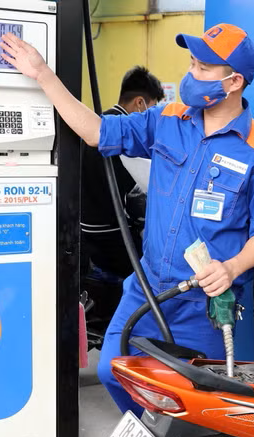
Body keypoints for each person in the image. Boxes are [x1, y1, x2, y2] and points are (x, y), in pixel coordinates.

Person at [0, 23, 254, 416]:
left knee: (197, 404)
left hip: (203, 303)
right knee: (113, 371)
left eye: (203, 68)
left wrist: (231, 268)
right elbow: (96, 131)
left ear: (234, 81)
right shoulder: (167, 118)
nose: (191, 74)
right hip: (147, 288)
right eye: (192, 63)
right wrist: (43, 75)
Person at [81, 66, 165, 280]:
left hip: (85, 232)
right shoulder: (126, 136)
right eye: (152, 108)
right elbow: (142, 190)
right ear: (140, 103)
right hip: (113, 235)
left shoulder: (99, 123)